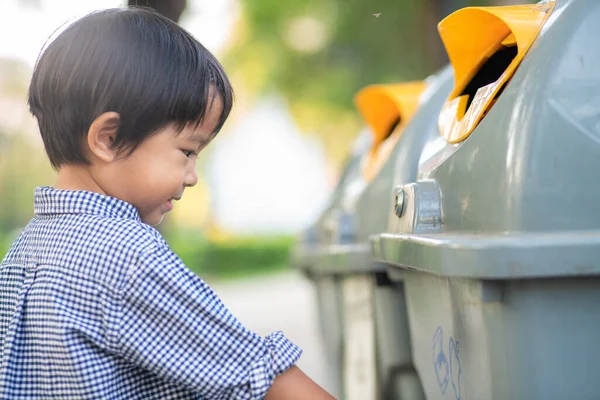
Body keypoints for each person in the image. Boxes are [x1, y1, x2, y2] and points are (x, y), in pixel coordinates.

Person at [0, 7, 335, 400]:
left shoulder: (22, 252)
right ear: (107, 138)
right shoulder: (127, 257)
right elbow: (260, 377)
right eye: (188, 151)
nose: (192, 176)